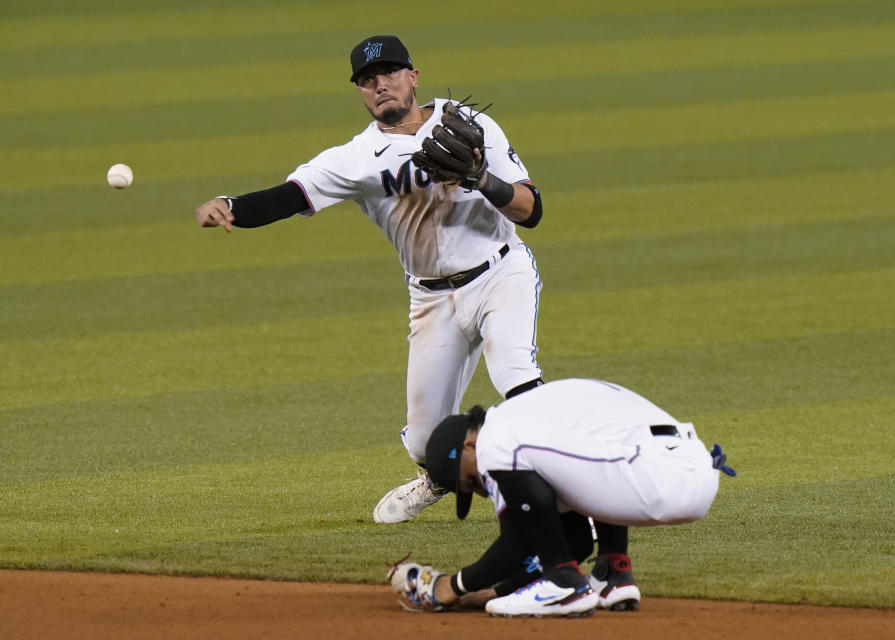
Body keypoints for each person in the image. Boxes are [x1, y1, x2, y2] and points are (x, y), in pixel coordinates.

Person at [193, 35, 545, 524]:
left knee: (515, 375)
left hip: (499, 274)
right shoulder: (357, 160)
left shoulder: (472, 126)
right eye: (367, 79)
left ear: (413, 76)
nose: (380, 84)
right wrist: (230, 206)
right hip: (430, 299)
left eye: (391, 73)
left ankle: (563, 488)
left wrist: (482, 178)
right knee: (425, 442)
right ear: (360, 91)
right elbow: (289, 196)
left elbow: (531, 211)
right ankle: (440, 478)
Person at [391, 378, 735, 617]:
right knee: (564, 474)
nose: (482, 489)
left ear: (469, 445)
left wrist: (451, 587)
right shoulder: (535, 416)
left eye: (470, 481)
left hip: (655, 473)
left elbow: (518, 540)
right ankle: (613, 571)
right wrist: (499, 590)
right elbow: (572, 542)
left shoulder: (496, 435)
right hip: (692, 469)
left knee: (506, 451)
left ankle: (564, 585)